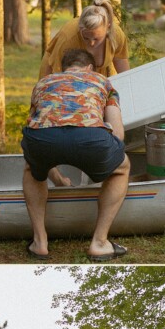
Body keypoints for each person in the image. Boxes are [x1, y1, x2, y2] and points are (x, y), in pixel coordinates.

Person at [21, 48, 131, 261]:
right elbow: (118, 134)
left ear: (63, 68)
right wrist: (108, 156)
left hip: (42, 139)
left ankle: (40, 242)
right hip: (90, 138)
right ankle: (99, 242)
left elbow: (38, 124)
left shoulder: (43, 83)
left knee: (32, 168)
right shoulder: (103, 82)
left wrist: (58, 180)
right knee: (121, 168)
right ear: (89, 68)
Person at [39, 0, 130, 78]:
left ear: (108, 28)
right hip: (57, 73)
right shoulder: (68, 38)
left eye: (96, 39)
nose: (91, 43)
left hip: (94, 75)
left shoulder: (116, 34)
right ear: (80, 28)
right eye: (86, 38)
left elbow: (122, 66)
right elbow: (59, 77)